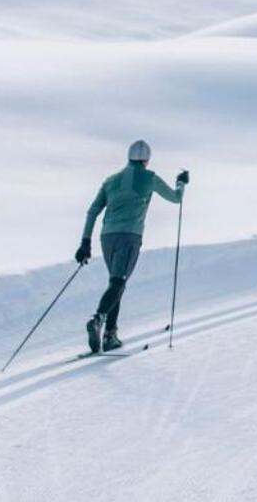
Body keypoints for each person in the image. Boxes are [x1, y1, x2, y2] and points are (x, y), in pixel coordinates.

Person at [77, 139, 187, 353]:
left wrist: (85, 243)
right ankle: (98, 318)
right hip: (130, 236)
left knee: (115, 283)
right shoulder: (150, 178)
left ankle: (110, 335)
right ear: (146, 160)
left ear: (129, 157)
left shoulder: (110, 180)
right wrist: (181, 182)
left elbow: (93, 211)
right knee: (119, 282)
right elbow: (175, 198)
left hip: (106, 237)